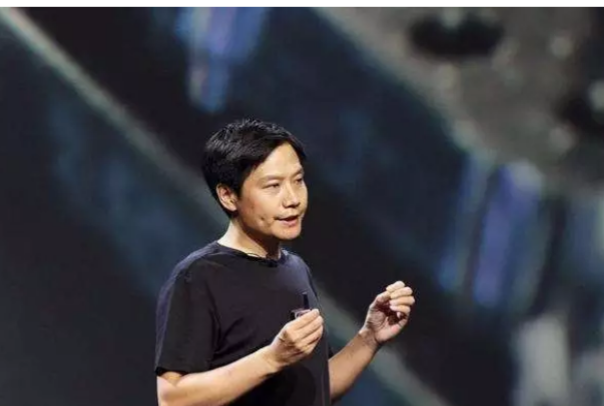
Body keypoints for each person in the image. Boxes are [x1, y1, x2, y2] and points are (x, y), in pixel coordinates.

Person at [155, 119, 415, 406]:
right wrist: (271, 358)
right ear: (228, 196)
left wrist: (369, 338)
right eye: (273, 186)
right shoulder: (199, 277)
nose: (292, 199)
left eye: (298, 180)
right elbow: (173, 399)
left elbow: (314, 390)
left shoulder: (295, 269)